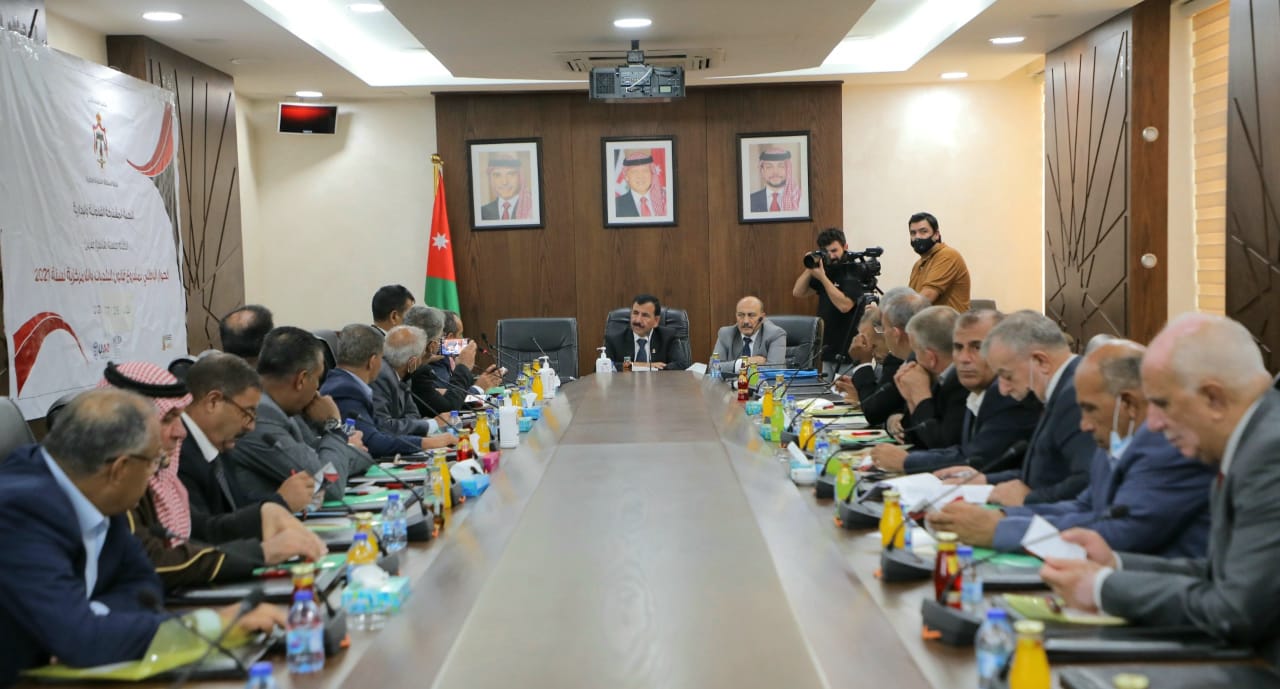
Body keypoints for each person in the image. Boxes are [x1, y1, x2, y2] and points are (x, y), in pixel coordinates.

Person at [0, 389, 284, 686]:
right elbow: (80, 638)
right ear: (120, 469)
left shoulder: (95, 487)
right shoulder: (17, 513)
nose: (154, 476)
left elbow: (144, 585)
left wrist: (98, 627)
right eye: (153, 463)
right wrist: (214, 624)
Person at [1041, 314, 1280, 666]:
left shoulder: (1269, 453)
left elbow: (1234, 610)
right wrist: (1116, 563)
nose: (1152, 424)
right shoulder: (1250, 441)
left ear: (1213, 398)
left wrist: (1102, 588)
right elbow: (1219, 573)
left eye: (1163, 404)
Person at [929, 340, 1213, 556]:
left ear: (1127, 403)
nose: (1084, 425)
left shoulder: (1168, 448)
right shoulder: (1117, 436)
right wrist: (1002, 516)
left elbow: (1121, 534)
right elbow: (1083, 506)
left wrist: (999, 531)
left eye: (1090, 409)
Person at [177, 354, 328, 558]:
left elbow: (235, 509)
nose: (251, 426)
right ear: (213, 401)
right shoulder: (179, 454)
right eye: (247, 413)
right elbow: (203, 535)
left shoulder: (218, 444)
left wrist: (282, 501)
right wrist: (280, 502)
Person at [938, 310, 1094, 506]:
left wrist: (1028, 499)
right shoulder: (1060, 388)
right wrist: (984, 480)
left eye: (1007, 376)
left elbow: (1086, 483)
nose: (1003, 389)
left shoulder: (1076, 394)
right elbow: (1044, 473)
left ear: (1041, 361)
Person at [871, 310, 1040, 474]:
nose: (964, 358)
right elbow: (960, 450)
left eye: (977, 347)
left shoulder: (1006, 394)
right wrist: (910, 398)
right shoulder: (977, 389)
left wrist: (906, 461)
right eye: (958, 347)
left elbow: (974, 459)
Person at [226, 326, 374, 502]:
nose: (318, 391)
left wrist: (341, 448)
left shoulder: (285, 410)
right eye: (318, 379)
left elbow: (336, 462)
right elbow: (329, 484)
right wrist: (334, 428)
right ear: (301, 380)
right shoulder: (260, 417)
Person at [319, 324, 455, 457]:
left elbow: (382, 427)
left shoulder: (347, 383)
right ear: (373, 361)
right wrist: (428, 443)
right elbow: (374, 441)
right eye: (382, 357)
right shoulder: (346, 390)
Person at [791, 228, 865, 377]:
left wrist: (823, 278)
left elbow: (845, 306)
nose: (831, 256)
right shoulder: (826, 269)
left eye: (834, 250)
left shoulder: (852, 270)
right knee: (828, 390)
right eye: (826, 252)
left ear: (845, 247)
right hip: (827, 348)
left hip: (849, 351)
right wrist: (811, 266)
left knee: (846, 391)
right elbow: (798, 292)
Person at [873, 287, 930, 431]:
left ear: (896, 333)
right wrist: (894, 420)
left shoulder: (925, 367)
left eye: (883, 328)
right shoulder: (912, 361)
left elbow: (875, 411)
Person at [372, 325, 442, 436]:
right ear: (412, 362)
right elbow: (383, 426)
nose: (421, 362)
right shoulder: (379, 377)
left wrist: (412, 425)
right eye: (421, 356)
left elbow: (413, 415)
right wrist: (431, 424)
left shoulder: (405, 374)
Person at [603, 294, 690, 371]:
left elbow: (681, 365)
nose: (638, 320)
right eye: (635, 313)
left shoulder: (668, 337)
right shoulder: (614, 339)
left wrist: (651, 369)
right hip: (625, 384)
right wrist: (643, 366)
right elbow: (603, 366)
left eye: (645, 315)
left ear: (656, 321)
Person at [833, 304, 898, 405]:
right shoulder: (883, 365)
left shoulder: (898, 365)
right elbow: (876, 396)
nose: (870, 352)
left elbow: (878, 408)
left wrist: (862, 363)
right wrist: (857, 391)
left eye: (873, 346)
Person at [906, 212, 970, 313]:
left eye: (923, 231)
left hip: (949, 322)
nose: (917, 237)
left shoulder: (947, 255)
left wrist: (894, 313)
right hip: (926, 320)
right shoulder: (918, 264)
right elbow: (912, 298)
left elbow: (926, 298)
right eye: (913, 233)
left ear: (936, 235)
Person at [711, 296, 786, 376]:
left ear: (762, 318)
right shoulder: (726, 334)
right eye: (741, 315)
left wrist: (730, 367)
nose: (746, 321)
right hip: (731, 383)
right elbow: (713, 368)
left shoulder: (775, 334)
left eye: (751, 315)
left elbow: (775, 370)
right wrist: (744, 362)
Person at [479, 152, 532, 221]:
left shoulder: (531, 208)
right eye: (497, 175)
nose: (504, 182)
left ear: (520, 177)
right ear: (491, 179)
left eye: (511, 174)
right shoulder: (482, 212)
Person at [614, 150, 667, 218]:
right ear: (626, 176)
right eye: (634, 172)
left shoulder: (665, 202)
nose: (640, 176)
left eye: (645, 171)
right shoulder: (616, 206)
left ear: (652, 174)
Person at [749, 146, 800, 212]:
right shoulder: (750, 201)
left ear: (788, 170)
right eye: (769, 167)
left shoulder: (798, 199)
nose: (775, 172)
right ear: (762, 171)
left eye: (781, 166)